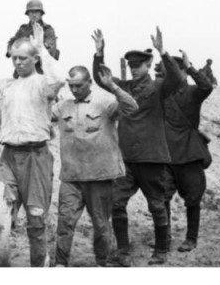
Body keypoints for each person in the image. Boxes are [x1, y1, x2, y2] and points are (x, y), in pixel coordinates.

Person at [0, 23, 66, 267]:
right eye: (14, 58)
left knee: (36, 222)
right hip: (9, 158)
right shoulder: (5, 86)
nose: (18, 63)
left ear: (33, 59)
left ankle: (39, 267)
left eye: (23, 58)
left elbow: (59, 79)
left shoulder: (43, 83)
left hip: (36, 158)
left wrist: (42, 48)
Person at [91, 27, 182, 266]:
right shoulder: (126, 87)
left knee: (156, 204)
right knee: (117, 203)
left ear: (148, 65)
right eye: (131, 66)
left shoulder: (160, 86)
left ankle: (161, 249)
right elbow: (102, 80)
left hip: (152, 158)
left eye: (138, 66)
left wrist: (163, 51)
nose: (134, 69)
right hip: (127, 158)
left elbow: (178, 78)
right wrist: (99, 54)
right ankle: (123, 250)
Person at [52, 65, 138, 267]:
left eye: (79, 86)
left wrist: (113, 87)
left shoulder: (105, 102)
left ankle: (101, 263)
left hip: (98, 177)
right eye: (71, 86)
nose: (74, 90)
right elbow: (40, 116)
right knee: (64, 223)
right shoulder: (63, 106)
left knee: (100, 225)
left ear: (89, 83)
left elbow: (131, 107)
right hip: (71, 177)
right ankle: (60, 264)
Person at [157, 51, 213, 253]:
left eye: (174, 70)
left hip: (189, 153)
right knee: (162, 197)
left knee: (192, 198)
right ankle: (165, 237)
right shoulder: (161, 93)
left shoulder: (192, 92)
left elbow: (207, 87)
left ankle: (191, 238)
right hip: (166, 154)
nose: (168, 75)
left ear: (183, 72)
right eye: (164, 72)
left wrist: (191, 68)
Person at [7, 0, 59, 67]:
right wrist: (11, 51)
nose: (34, 15)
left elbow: (51, 51)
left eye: (37, 12)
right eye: (31, 12)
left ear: (41, 14)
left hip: (42, 67)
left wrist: (37, 48)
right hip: (24, 67)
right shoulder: (23, 29)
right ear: (28, 14)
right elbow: (12, 42)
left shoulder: (48, 30)